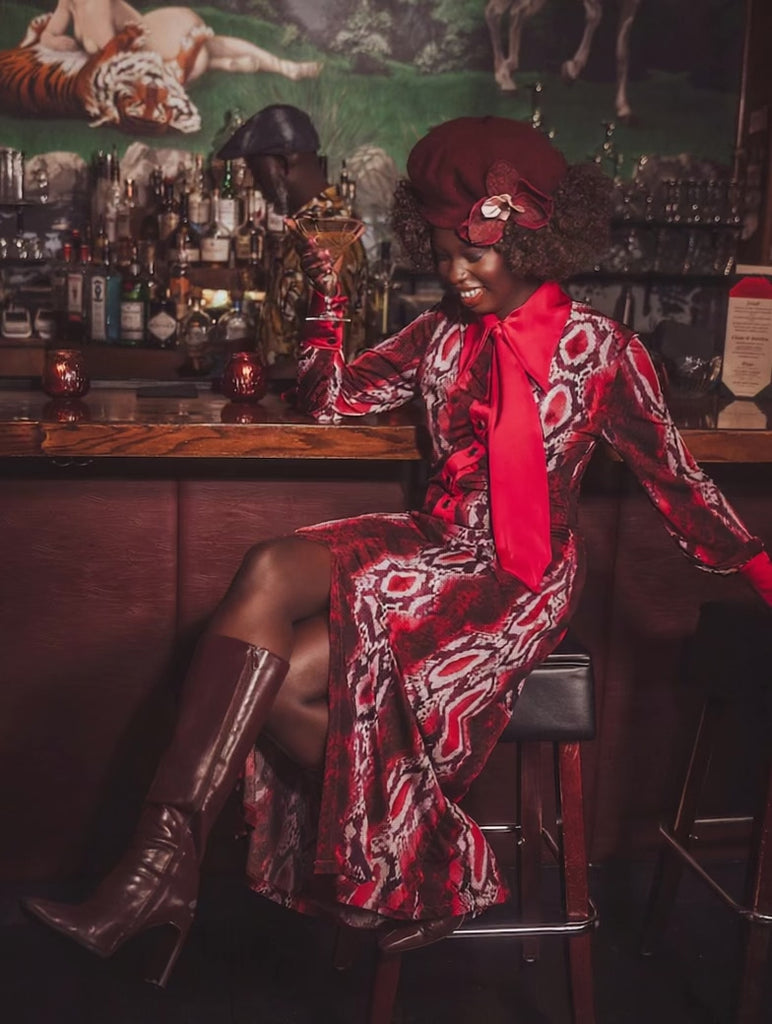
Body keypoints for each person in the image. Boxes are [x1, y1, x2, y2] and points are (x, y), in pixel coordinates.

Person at [23, 116, 772, 981]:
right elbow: (329, 401)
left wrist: (762, 573)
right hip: (436, 538)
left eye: (472, 255)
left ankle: (418, 859)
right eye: (442, 255)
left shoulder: (603, 350)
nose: (454, 274)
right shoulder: (438, 335)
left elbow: (680, 483)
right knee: (268, 576)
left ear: (531, 239)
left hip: (517, 573)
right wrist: (327, 290)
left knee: (284, 673)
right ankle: (159, 872)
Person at [217, 103, 368, 366]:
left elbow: (331, 348)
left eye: (257, 170)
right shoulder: (305, 226)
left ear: (284, 163)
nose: (256, 184)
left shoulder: (329, 233)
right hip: (285, 389)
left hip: (305, 390)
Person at [37, 0, 322, 81]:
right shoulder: (69, 2)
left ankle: (285, 67)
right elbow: (48, 34)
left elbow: (115, 58)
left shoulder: (98, 4)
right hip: (150, 55)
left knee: (206, 48)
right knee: (208, 50)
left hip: (157, 40)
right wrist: (55, 41)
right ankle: (228, 65)